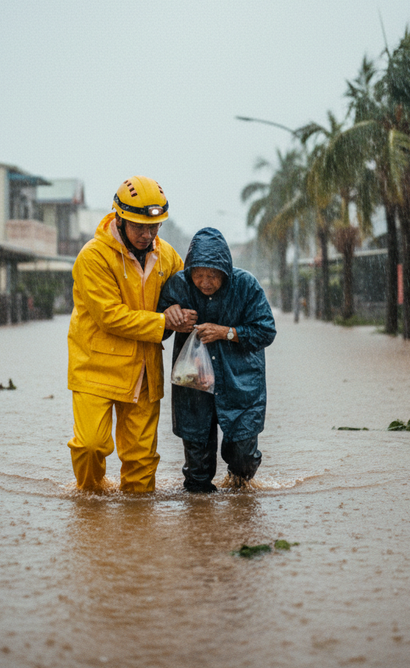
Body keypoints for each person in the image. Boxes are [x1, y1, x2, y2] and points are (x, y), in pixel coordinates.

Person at [67, 176, 196, 493]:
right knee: (90, 446)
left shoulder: (166, 256)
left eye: (154, 227)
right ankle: (90, 499)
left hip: (144, 370)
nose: (147, 234)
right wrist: (164, 322)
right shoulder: (93, 256)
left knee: (141, 465)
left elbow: (187, 291)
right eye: (139, 226)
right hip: (95, 368)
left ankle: (137, 529)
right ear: (119, 218)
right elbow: (109, 316)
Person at [158, 227, 276, 492]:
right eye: (198, 275)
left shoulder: (246, 286)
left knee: (242, 459)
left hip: (240, 383)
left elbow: (266, 331)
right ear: (190, 272)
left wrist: (228, 333)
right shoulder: (178, 285)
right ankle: (201, 526)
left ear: (225, 271)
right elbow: (156, 329)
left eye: (212, 275)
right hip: (194, 385)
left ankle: (240, 500)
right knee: (197, 474)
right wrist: (169, 316)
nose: (205, 282)